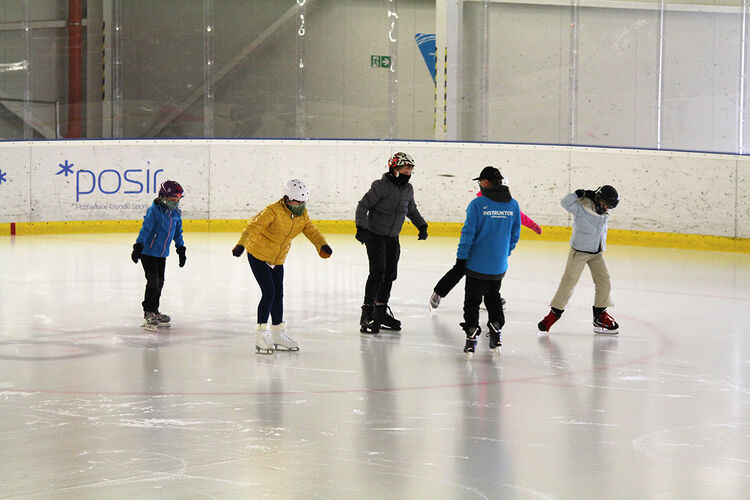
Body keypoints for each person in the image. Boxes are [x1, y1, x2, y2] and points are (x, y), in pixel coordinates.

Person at [232, 179, 332, 354]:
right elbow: (253, 228)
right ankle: (261, 335)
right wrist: (241, 245)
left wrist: (321, 245)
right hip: (259, 255)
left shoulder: (302, 213)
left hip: (278, 259)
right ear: (286, 198)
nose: (299, 205)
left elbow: (311, 230)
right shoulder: (272, 211)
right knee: (269, 293)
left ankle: (277, 333)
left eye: (302, 202)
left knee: (279, 295)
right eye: (296, 201)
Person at [429, 166, 541, 310]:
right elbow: (469, 230)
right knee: (460, 270)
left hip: (492, 248)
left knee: (488, 274)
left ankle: (489, 296)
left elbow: (517, 216)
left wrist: (532, 225)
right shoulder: (482, 201)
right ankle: (439, 292)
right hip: (477, 247)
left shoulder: (506, 201)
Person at [355, 152, 428, 334]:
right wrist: (361, 228)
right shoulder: (380, 186)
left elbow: (411, 209)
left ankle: (380, 312)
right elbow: (363, 206)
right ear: (394, 169)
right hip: (375, 236)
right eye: (405, 168)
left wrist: (422, 225)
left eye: (410, 169)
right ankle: (367, 313)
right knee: (377, 273)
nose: (408, 172)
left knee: (390, 275)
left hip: (392, 238)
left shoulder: (407, 189)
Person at [454, 166, 521, 357]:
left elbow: (468, 234)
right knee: (493, 297)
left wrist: (461, 258)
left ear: (485, 182)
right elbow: (515, 234)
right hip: (498, 264)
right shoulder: (513, 205)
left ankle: (471, 333)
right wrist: (504, 253)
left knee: (472, 301)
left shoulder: (477, 204)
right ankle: (496, 329)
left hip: (476, 264)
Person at [537, 185, 620, 334]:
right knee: (569, 281)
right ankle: (554, 314)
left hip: (597, 253)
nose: (607, 208)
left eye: (610, 206)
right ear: (598, 198)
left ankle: (600, 316)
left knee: (604, 280)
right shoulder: (582, 207)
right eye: (605, 204)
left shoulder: (606, 209)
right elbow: (565, 202)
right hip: (579, 252)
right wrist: (578, 194)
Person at [131, 180, 187, 332]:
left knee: (160, 281)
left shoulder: (176, 213)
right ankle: (148, 311)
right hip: (148, 252)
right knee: (153, 281)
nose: (175, 203)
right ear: (163, 197)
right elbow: (146, 229)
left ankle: (155, 311)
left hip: (162, 254)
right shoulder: (154, 210)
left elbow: (177, 231)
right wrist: (138, 245)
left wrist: (180, 248)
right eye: (171, 200)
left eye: (177, 201)